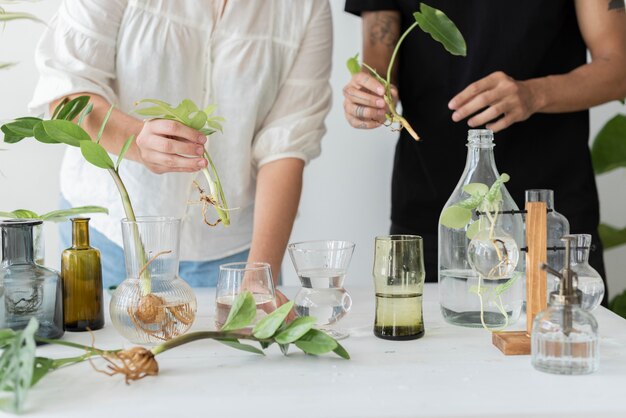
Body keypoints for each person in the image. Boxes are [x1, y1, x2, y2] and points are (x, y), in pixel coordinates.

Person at [29, 0, 332, 302]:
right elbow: (66, 94)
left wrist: (258, 277)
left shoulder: (307, 7)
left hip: (235, 256)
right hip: (109, 241)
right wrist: (136, 141)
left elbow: (287, 144)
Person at [343, 0, 626, 304]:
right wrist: (369, 96)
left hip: (548, 215)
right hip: (433, 214)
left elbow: (619, 67)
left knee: (564, 346)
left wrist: (534, 94)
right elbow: (378, 67)